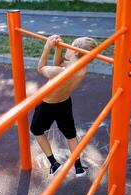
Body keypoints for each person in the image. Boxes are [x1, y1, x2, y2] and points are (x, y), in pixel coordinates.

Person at [30, 35, 97, 177]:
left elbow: (41, 68)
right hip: (64, 103)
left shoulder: (61, 72)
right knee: (70, 134)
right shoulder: (82, 68)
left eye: (69, 46)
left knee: (36, 130)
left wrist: (47, 47)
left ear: (75, 52)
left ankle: (54, 163)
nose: (67, 46)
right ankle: (78, 167)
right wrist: (59, 49)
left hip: (47, 105)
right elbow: (58, 64)